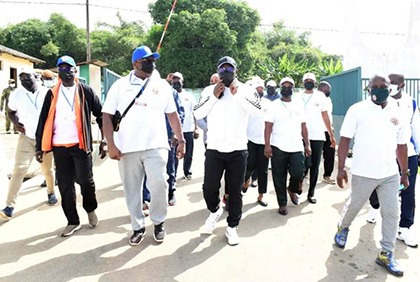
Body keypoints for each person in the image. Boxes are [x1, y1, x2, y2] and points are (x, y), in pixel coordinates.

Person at [102, 46, 185, 246]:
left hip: (156, 145)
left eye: (153, 60)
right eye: (146, 60)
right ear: (135, 64)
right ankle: (138, 226)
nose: (151, 63)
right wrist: (110, 144)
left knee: (159, 183)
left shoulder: (162, 86)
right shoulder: (120, 86)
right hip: (127, 148)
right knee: (132, 190)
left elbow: (172, 114)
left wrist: (180, 139)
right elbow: (107, 115)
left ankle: (158, 222)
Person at [334, 74, 409, 277]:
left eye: (382, 86)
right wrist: (341, 168)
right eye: (374, 86)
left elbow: (402, 145)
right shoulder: (357, 110)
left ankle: (386, 253)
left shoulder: (398, 111)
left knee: (392, 212)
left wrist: (404, 172)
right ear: (368, 90)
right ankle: (343, 226)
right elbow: (345, 140)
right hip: (363, 172)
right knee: (354, 206)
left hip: (389, 174)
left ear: (390, 87)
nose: (378, 89)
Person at [194, 56, 261, 246]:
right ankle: (215, 211)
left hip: (238, 151)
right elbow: (198, 113)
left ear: (235, 70)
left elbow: (258, 112)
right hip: (214, 149)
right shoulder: (209, 90)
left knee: (235, 191)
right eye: (222, 68)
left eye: (229, 68)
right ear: (217, 69)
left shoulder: (246, 90)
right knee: (209, 188)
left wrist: (238, 95)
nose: (226, 71)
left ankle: (232, 227)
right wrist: (214, 96)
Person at [35, 55, 105, 237]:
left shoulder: (86, 91)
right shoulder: (51, 94)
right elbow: (43, 121)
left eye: (69, 68)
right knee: (65, 185)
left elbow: (101, 115)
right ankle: (72, 221)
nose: (65, 72)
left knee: (85, 181)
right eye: (62, 69)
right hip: (59, 147)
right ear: (58, 72)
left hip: (80, 146)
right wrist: (39, 147)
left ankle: (90, 209)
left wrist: (105, 140)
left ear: (75, 71)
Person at [365, 73, 419, 248]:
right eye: (390, 83)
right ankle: (374, 206)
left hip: (407, 153)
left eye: (395, 83)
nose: (391, 85)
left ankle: (404, 227)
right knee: (376, 184)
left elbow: (415, 127)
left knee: (407, 190)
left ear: (402, 85)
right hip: (384, 153)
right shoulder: (377, 102)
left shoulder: (410, 102)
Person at [0, 68, 57, 221]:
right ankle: (9, 206)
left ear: (36, 77)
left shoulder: (47, 93)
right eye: (21, 77)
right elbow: (10, 112)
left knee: (47, 169)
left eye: (27, 77)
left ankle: (51, 192)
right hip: (27, 138)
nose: (24, 80)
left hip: (45, 139)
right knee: (19, 170)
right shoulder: (16, 95)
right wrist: (16, 123)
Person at [264, 77, 311, 215]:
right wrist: (267, 145)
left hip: (296, 145)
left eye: (289, 86)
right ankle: (282, 203)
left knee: (298, 172)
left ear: (293, 88)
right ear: (280, 88)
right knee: (279, 175)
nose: (286, 88)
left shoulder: (298, 104)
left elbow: (304, 126)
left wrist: (307, 144)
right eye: (284, 86)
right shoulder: (274, 105)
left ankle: (291, 188)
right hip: (278, 145)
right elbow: (268, 126)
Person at [296, 72, 335, 204]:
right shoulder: (297, 97)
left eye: (311, 80)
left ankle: (311, 193)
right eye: (306, 80)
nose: (309, 82)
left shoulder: (320, 96)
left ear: (315, 82)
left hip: (317, 136)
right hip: (300, 136)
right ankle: (298, 184)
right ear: (303, 83)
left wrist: (331, 134)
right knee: (301, 164)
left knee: (315, 165)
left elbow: (325, 116)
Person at [242, 78, 272, 207]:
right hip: (249, 140)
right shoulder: (247, 102)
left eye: (261, 89)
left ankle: (261, 195)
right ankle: (246, 179)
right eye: (257, 89)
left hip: (264, 141)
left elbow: (271, 123)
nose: (259, 90)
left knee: (263, 170)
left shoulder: (268, 103)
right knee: (249, 165)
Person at [172, 72, 198, 180]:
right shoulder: (169, 95)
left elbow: (195, 113)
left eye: (178, 81)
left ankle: (187, 171)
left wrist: (196, 128)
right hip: (175, 131)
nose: (176, 83)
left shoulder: (189, 96)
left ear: (182, 82)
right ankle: (173, 174)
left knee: (188, 152)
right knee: (174, 154)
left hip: (188, 129)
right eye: (174, 81)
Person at [318, 81, 336, 185]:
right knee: (312, 155)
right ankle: (305, 173)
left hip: (328, 131)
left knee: (330, 154)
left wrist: (331, 130)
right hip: (317, 131)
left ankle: (327, 175)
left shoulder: (328, 100)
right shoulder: (315, 99)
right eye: (327, 89)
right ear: (321, 90)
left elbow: (329, 116)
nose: (329, 91)